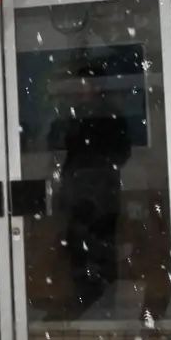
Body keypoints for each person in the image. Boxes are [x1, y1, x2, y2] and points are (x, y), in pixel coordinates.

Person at [52, 64, 132, 313]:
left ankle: (98, 298)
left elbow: (120, 152)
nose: (82, 89)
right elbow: (59, 142)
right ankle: (86, 297)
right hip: (82, 187)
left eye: (86, 84)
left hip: (98, 189)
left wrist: (96, 168)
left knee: (98, 244)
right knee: (81, 244)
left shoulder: (107, 115)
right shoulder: (76, 113)